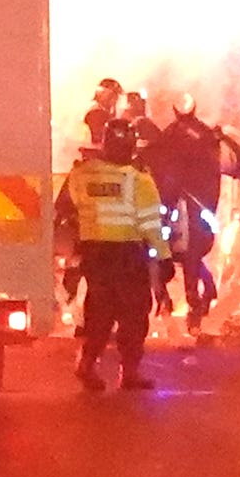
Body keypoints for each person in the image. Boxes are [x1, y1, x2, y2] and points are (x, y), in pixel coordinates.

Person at [60, 122, 168, 389]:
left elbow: (65, 210)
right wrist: (164, 260)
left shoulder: (81, 175)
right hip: (127, 255)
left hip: (95, 255)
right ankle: (129, 373)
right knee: (133, 314)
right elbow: (151, 227)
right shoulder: (138, 180)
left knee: (99, 313)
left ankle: (86, 365)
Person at [142, 99, 240, 328]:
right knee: (188, 253)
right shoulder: (208, 138)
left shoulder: (171, 138)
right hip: (192, 211)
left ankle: (174, 300)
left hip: (178, 209)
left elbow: (146, 161)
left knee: (160, 250)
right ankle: (186, 302)